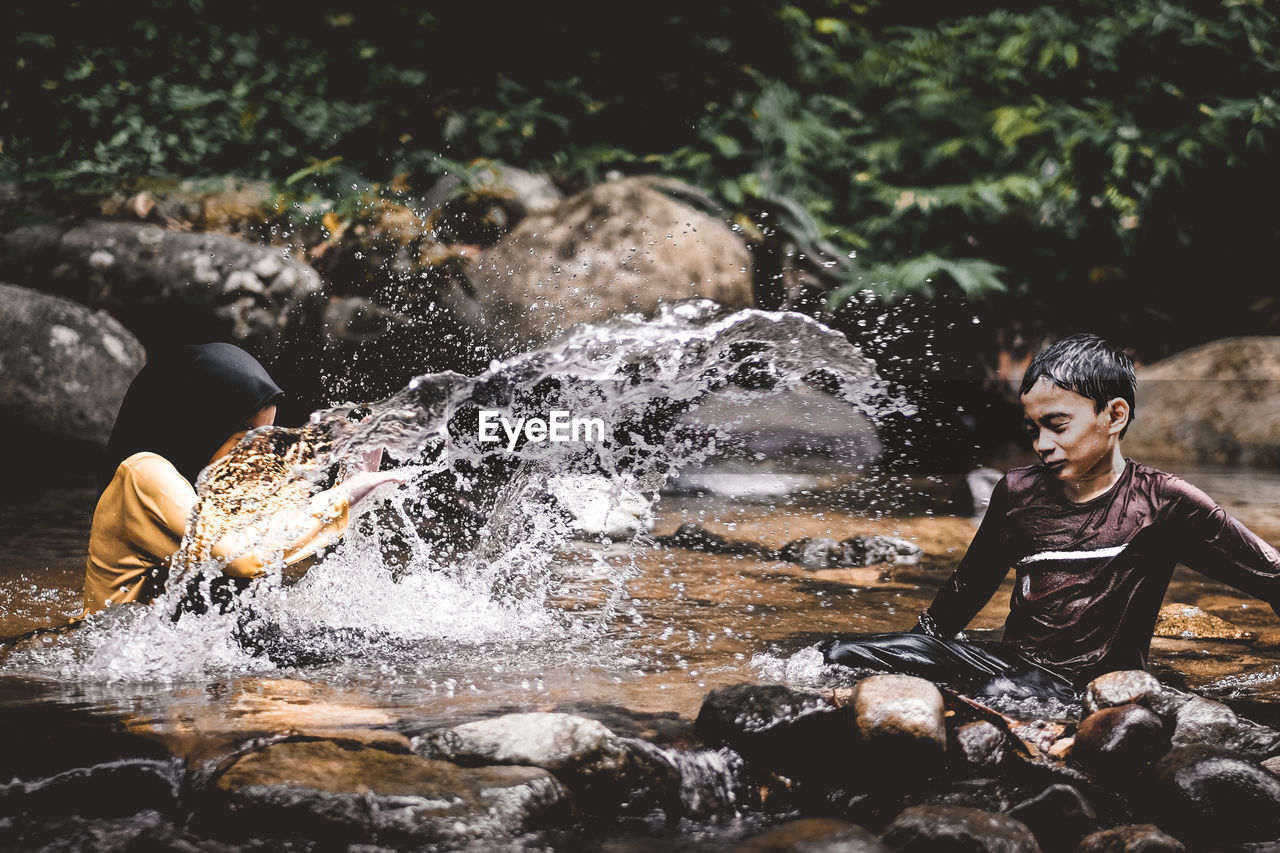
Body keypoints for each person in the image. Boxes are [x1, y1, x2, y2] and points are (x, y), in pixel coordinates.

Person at [823, 333, 1280, 692]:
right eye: (1033, 428)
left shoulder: (1165, 501)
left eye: (1057, 425)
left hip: (1095, 688)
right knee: (836, 652)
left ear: (1115, 415)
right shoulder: (1018, 491)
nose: (1042, 445)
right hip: (1011, 670)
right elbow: (967, 588)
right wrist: (915, 652)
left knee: (1006, 686)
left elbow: (1270, 575)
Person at [81, 342, 399, 617]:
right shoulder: (143, 474)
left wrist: (356, 485)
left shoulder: (220, 483)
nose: (257, 454)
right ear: (199, 425)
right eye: (245, 436)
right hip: (133, 671)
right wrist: (341, 495)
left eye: (266, 434)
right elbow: (241, 558)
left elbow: (279, 540)